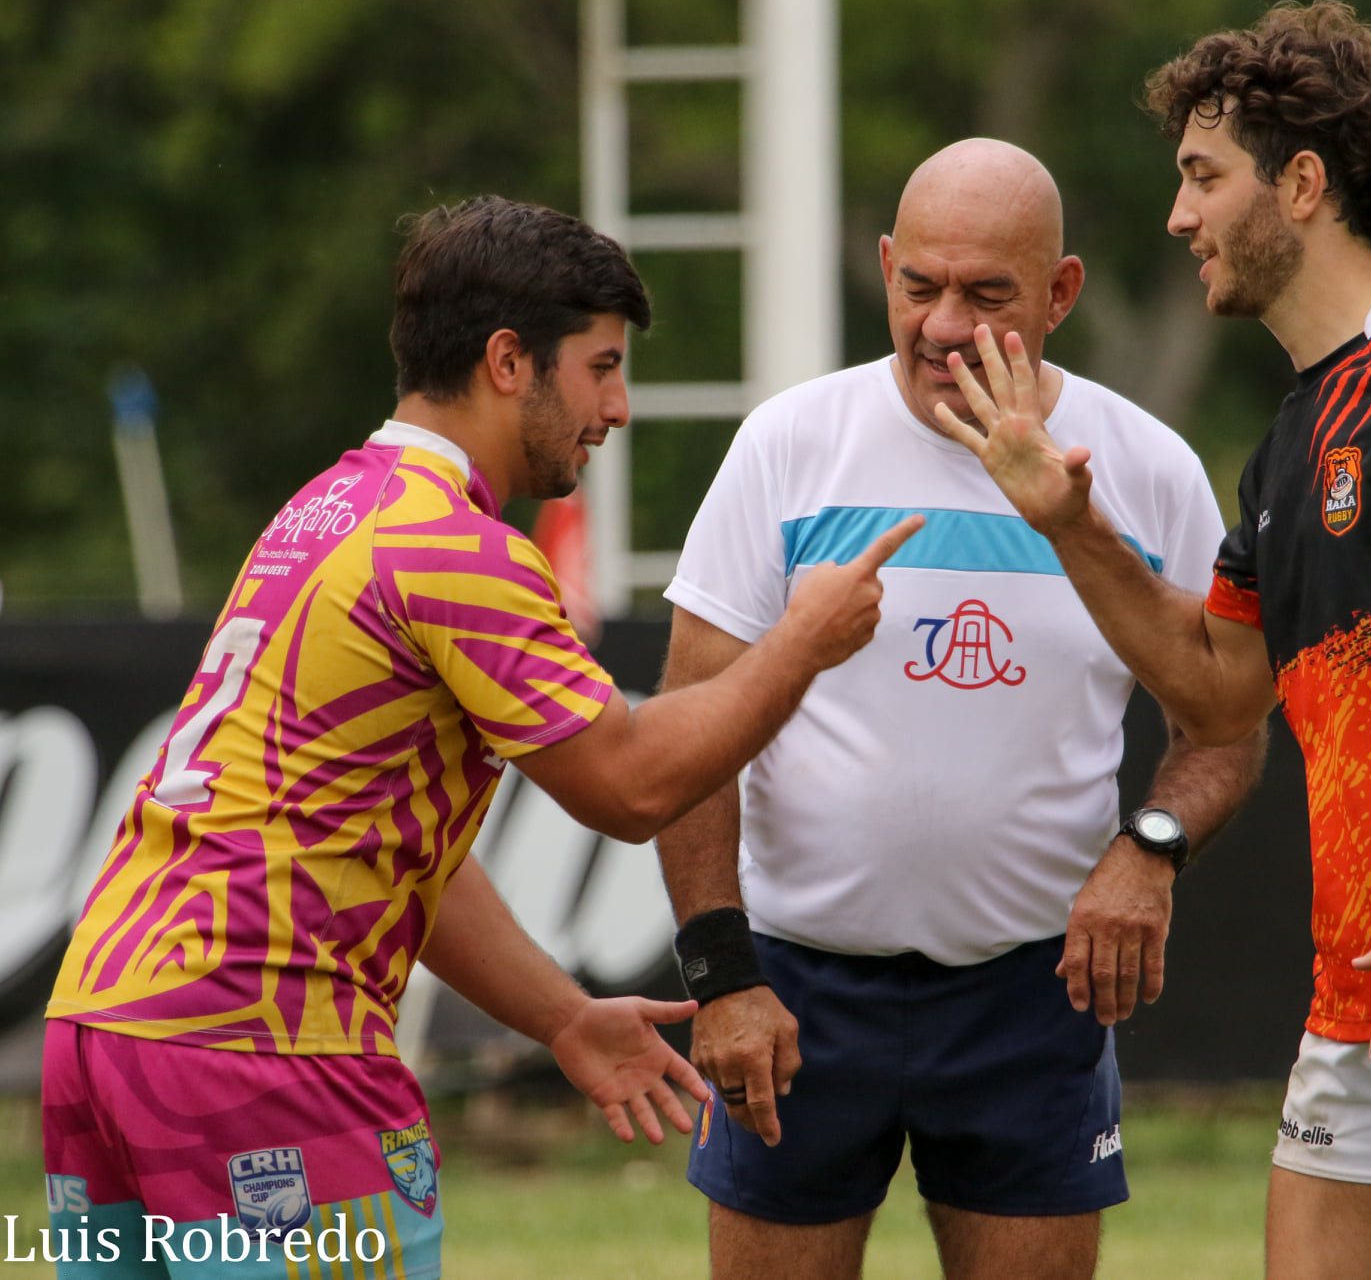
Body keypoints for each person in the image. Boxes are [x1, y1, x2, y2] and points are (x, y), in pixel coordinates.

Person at [41, 196, 917, 1279]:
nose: (619, 405)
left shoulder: (321, 509)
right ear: (510, 361)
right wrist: (802, 642)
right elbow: (631, 784)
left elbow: (389, 848)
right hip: (265, 1045)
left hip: (104, 1031)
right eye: (599, 365)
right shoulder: (456, 549)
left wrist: (561, 1016)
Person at [931, 6, 1371, 1279]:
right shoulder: (1287, 444)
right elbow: (1218, 689)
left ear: (1305, 184)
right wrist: (1069, 522)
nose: (1179, 216)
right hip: (1363, 994)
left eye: (1204, 177)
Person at [656, 139, 1267, 1280]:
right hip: (797, 986)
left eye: (987, 294)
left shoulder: (1147, 466)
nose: (943, 324)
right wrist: (723, 975)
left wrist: (1152, 849)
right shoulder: (789, 445)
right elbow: (691, 729)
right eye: (919, 285)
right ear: (884, 267)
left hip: (1032, 992)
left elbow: (1227, 724)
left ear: (1061, 292)